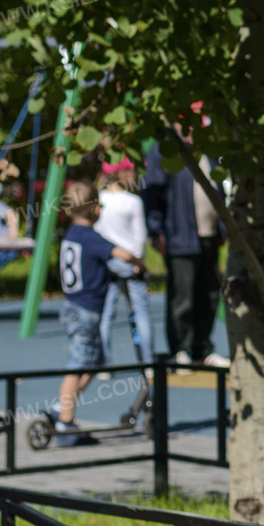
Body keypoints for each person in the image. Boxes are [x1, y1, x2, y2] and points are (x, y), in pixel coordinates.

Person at [54, 181, 141, 444]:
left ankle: (62, 407)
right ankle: (65, 424)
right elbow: (121, 254)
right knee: (78, 366)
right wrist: (140, 263)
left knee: (95, 363)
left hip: (73, 306)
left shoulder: (72, 233)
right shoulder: (90, 236)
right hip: (86, 310)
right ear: (95, 210)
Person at [144, 147, 227, 367]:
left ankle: (202, 349)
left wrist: (222, 228)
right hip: (180, 236)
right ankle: (180, 349)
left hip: (209, 235)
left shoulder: (208, 148)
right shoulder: (165, 150)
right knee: (182, 296)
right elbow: (153, 192)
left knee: (209, 294)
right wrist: (156, 230)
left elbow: (219, 189)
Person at [95, 159, 154, 371]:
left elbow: (97, 234)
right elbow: (140, 236)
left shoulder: (99, 201)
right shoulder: (133, 201)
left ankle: (104, 364)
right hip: (131, 262)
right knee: (141, 313)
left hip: (108, 263)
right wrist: (140, 263)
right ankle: (148, 362)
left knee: (105, 316)